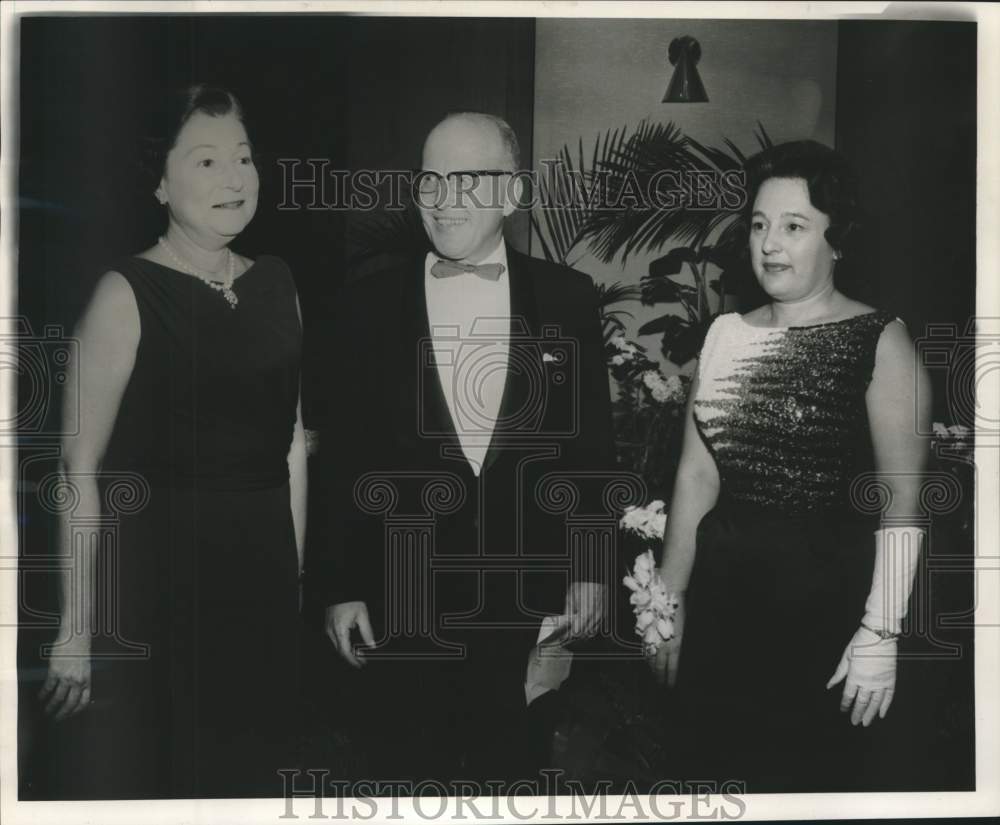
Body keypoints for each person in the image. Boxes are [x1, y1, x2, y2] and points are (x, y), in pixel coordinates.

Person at [308, 112, 614, 786]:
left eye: (467, 179)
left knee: (514, 779)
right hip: (401, 600)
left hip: (529, 603)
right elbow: (342, 458)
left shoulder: (567, 299)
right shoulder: (364, 308)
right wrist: (340, 586)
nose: (443, 198)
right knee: (405, 780)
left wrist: (591, 566)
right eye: (430, 179)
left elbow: (591, 446)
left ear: (512, 193)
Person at [38, 84, 307, 798]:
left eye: (243, 158)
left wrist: (298, 581)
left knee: (258, 782)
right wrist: (75, 629)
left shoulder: (280, 284)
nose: (234, 178)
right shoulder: (124, 293)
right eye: (206, 161)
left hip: (268, 588)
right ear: (159, 182)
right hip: (163, 590)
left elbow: (291, 448)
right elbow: (80, 471)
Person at [650, 140, 930, 792]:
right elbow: (697, 475)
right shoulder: (725, 335)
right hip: (723, 617)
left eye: (795, 226)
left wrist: (880, 631)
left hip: (821, 626)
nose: (770, 243)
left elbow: (904, 504)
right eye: (759, 224)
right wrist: (668, 599)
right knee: (710, 782)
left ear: (837, 242)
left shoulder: (879, 339)